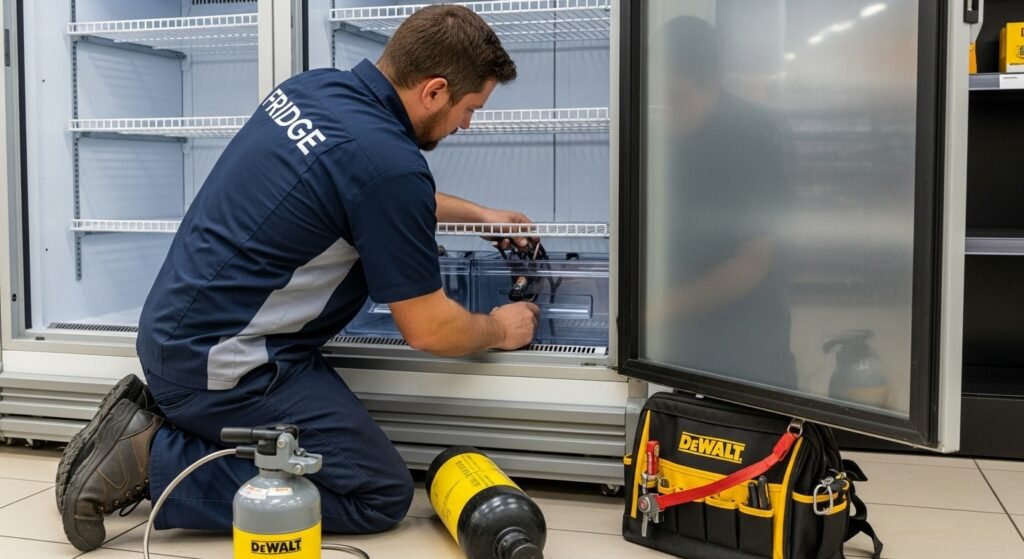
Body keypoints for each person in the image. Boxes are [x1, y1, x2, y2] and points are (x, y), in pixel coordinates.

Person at [57, 6, 540, 551]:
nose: (467, 124)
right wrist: (500, 329)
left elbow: (367, 187)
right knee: (379, 494)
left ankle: (172, 428)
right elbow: (429, 329)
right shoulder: (390, 165)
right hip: (227, 367)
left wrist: (479, 216)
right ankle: (151, 458)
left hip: (179, 333)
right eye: (470, 108)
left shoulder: (315, 90)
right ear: (434, 91)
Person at [648, 16, 797, 388]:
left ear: (712, 83)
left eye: (677, 99)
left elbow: (749, 265)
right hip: (681, 341)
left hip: (747, 345)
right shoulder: (669, 136)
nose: (667, 113)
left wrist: (654, 312)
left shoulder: (755, 137)